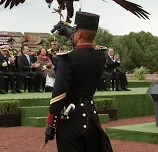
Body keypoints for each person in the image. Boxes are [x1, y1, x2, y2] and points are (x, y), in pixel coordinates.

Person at [44, 11, 113, 152]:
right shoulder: (100, 56)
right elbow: (85, 49)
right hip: (91, 117)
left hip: (71, 120)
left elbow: (58, 93)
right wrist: (72, 34)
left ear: (79, 34)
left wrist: (51, 124)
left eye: (75, 32)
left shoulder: (67, 59)